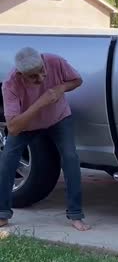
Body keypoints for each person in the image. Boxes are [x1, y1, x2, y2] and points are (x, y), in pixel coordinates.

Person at [0, 47, 90, 231]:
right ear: (20, 74)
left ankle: (76, 214)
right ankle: (2, 214)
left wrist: (61, 87)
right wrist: (40, 103)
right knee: (7, 162)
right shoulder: (10, 84)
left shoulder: (54, 61)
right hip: (27, 126)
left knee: (70, 158)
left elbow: (77, 80)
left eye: (42, 71)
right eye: (33, 77)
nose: (41, 78)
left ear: (42, 60)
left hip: (59, 118)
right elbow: (14, 127)